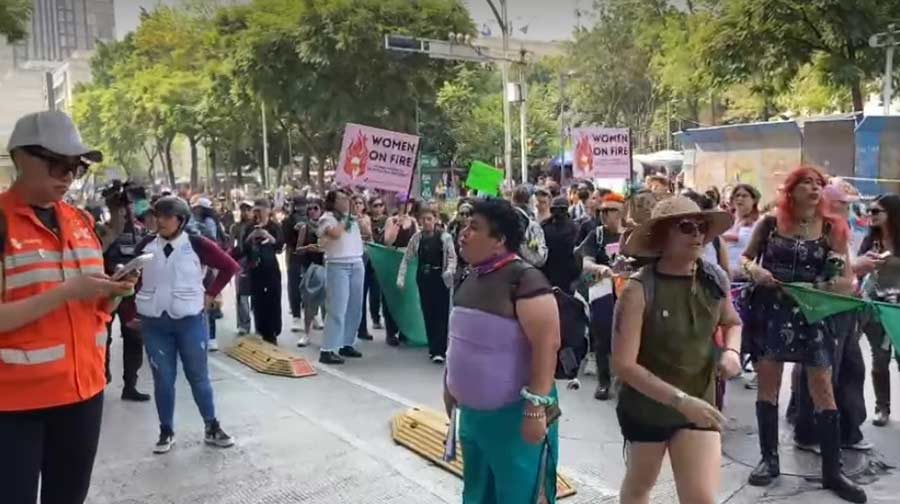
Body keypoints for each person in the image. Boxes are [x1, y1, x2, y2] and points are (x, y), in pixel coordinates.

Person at [1, 110, 138, 504]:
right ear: (21, 159)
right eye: (57, 164)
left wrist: (113, 292)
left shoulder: (79, 221)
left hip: (83, 394)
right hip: (14, 405)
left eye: (75, 168)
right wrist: (66, 292)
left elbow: (92, 309)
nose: (67, 176)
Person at [740, 166, 865, 503]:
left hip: (813, 314)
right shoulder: (769, 223)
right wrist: (757, 271)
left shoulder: (832, 228)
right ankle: (769, 460)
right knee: (768, 385)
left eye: (819, 184)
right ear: (791, 190)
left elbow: (847, 281)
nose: (814, 188)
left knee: (823, 387)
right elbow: (745, 259)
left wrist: (819, 287)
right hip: (771, 310)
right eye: (806, 183)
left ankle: (832, 472)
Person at [613, 196, 742, 504]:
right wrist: (680, 401)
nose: (697, 234)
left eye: (701, 227)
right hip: (647, 407)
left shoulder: (714, 278)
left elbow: (733, 321)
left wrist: (733, 352)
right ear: (662, 236)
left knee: (700, 498)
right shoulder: (638, 289)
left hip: (700, 400)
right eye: (686, 227)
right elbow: (624, 365)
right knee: (640, 486)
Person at [445, 198, 561, 504]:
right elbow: (459, 338)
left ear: (499, 241)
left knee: (518, 495)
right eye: (464, 225)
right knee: (478, 493)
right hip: (474, 418)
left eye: (474, 227)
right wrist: (449, 384)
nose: (463, 233)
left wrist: (535, 408)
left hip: (515, 418)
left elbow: (547, 345)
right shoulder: (472, 275)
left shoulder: (525, 280)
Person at [135, 196, 240, 454]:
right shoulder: (146, 245)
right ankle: (166, 430)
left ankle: (211, 426)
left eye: (165, 216)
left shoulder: (197, 244)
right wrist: (133, 309)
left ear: (180, 220)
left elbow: (230, 266)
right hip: (154, 324)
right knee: (163, 378)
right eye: (156, 215)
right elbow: (133, 280)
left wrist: (210, 293)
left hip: (190, 321)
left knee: (198, 377)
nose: (158, 221)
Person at [789, 182, 870, 453]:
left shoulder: (844, 229)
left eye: (848, 204)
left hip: (846, 308)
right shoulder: (815, 230)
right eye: (841, 203)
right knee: (820, 373)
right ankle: (808, 433)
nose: (847, 208)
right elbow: (822, 276)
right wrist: (849, 276)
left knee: (851, 370)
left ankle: (849, 431)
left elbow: (846, 271)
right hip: (823, 308)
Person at [99, 184, 151, 402]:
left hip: (131, 294)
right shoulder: (101, 231)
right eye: (119, 207)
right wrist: (112, 234)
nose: (124, 211)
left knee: (134, 338)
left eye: (127, 206)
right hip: (105, 293)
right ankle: (100, 380)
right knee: (102, 339)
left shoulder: (140, 232)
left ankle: (130, 384)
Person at [856, 194, 900, 427]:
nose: (870, 216)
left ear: (891, 213)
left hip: (898, 307)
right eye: (869, 211)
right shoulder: (870, 240)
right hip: (875, 306)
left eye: (876, 212)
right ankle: (882, 407)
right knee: (879, 359)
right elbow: (858, 269)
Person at [577, 193, 626, 401]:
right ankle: (604, 382)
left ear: (623, 211)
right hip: (602, 289)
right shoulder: (596, 235)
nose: (604, 215)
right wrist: (600, 268)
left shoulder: (633, 234)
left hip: (628, 291)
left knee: (628, 336)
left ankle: (626, 380)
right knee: (602, 336)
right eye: (602, 211)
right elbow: (585, 262)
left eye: (610, 210)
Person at [397, 206, 457, 363]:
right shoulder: (417, 238)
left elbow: (452, 257)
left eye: (429, 219)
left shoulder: (445, 237)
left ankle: (441, 349)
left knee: (441, 313)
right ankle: (433, 347)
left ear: (435, 219)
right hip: (424, 277)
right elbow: (407, 258)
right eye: (423, 219)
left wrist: (450, 271)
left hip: (440, 277)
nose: (426, 222)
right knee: (428, 312)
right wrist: (401, 277)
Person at [318, 188, 366, 365]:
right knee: (337, 308)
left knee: (355, 307)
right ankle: (328, 348)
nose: (346, 201)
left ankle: (347, 342)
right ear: (333, 202)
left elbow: (367, 232)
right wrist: (349, 216)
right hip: (338, 265)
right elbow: (335, 234)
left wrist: (355, 215)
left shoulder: (352, 218)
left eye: (347, 198)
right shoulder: (327, 218)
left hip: (356, 262)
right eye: (342, 199)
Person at [237, 199, 284, 344]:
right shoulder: (248, 227)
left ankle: (274, 330)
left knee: (273, 299)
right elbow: (242, 249)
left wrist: (268, 236)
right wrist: (251, 236)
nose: (259, 214)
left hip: (271, 268)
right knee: (258, 302)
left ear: (268, 211)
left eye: (262, 210)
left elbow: (280, 246)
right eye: (256, 210)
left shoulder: (274, 226)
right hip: (255, 268)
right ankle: (262, 330)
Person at [383, 196, 419, 346]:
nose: (406, 206)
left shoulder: (414, 222)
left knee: (407, 296)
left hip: (409, 260)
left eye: (409, 203)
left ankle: (405, 330)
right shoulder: (391, 220)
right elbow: (388, 241)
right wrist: (397, 225)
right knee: (392, 294)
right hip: (394, 258)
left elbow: (418, 241)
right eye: (404, 203)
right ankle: (391, 332)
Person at [295, 199, 326, 346]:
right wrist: (308, 248)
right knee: (309, 303)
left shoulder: (328, 226)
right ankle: (306, 334)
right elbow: (298, 249)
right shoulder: (305, 227)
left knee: (328, 303)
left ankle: (329, 335)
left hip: (327, 266)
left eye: (315, 208)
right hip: (311, 267)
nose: (312, 211)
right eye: (310, 209)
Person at [540, 196, 581, 293]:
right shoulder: (544, 226)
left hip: (566, 273)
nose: (557, 213)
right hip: (551, 272)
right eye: (555, 209)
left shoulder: (574, 227)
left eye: (560, 210)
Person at [721, 184, 760, 281]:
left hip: (746, 277)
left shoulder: (759, 223)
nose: (740, 199)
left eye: (744, 196)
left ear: (754, 200)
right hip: (724, 276)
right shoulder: (725, 220)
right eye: (737, 195)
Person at [283, 195, 308, 332]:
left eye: (303, 205)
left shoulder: (312, 219)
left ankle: (312, 314)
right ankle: (296, 316)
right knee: (294, 285)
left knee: (310, 285)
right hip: (294, 255)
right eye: (298, 205)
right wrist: (296, 231)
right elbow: (286, 239)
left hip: (310, 255)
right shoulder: (288, 221)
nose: (301, 209)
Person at [353, 194, 376, 341]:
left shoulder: (365, 219)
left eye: (360, 203)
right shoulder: (346, 219)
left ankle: (363, 328)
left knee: (365, 292)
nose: (357, 205)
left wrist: (361, 221)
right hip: (353, 257)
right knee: (356, 295)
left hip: (366, 257)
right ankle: (355, 328)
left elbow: (369, 234)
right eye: (355, 203)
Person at [230, 201, 254, 335]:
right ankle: (244, 324)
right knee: (242, 295)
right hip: (240, 262)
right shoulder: (235, 227)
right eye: (242, 209)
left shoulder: (256, 226)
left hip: (254, 261)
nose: (245, 212)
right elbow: (231, 245)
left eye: (248, 209)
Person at [366, 196, 387, 330]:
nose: (378, 208)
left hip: (383, 258)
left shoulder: (388, 220)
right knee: (373, 290)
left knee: (381, 290)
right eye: (375, 205)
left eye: (380, 205)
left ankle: (385, 318)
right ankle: (375, 318)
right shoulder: (366, 220)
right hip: (368, 257)